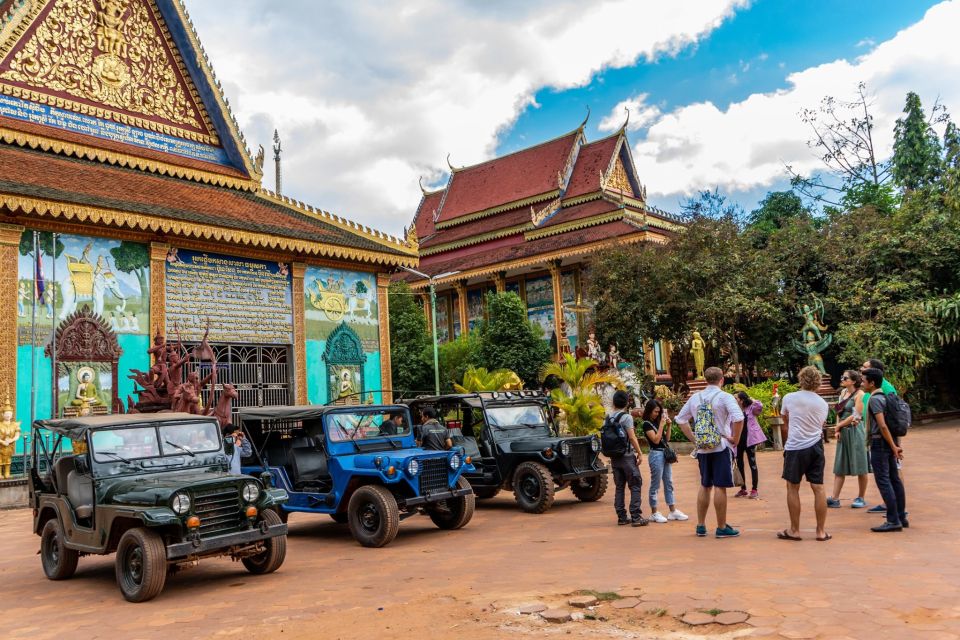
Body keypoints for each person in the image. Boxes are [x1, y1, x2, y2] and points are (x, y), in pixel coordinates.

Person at [675, 366, 744, 539]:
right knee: (720, 486)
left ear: (706, 379)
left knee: (705, 485)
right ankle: (721, 527)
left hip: (703, 448)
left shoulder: (695, 397)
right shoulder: (725, 397)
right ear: (722, 380)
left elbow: (681, 420)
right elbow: (739, 417)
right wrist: (735, 438)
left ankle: (701, 525)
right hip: (721, 445)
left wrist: (695, 440)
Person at [778, 366, 830, 542]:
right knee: (818, 487)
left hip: (795, 447)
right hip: (816, 446)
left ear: (801, 379)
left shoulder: (789, 398)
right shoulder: (823, 404)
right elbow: (821, 425)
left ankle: (794, 530)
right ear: (818, 382)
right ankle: (821, 531)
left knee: (793, 487)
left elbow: (785, 421)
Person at [861, 368, 907, 532]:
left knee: (884, 481)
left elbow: (882, 425)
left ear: (872, 383)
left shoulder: (875, 400)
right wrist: (894, 444)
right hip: (889, 441)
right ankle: (901, 517)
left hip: (880, 443)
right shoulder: (886, 397)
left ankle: (893, 520)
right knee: (894, 479)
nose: (862, 383)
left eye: (864, 380)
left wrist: (893, 446)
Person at [827, 370, 869, 509]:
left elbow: (856, 415)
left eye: (845, 378)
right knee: (840, 465)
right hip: (843, 431)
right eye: (842, 377)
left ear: (853, 381)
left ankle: (861, 497)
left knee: (861, 465)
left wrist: (838, 426)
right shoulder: (843, 393)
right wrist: (838, 429)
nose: (842, 379)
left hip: (855, 431)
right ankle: (835, 498)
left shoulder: (860, 394)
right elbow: (839, 411)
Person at [640, 399, 687, 523]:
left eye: (659, 412)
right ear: (649, 411)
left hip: (664, 454)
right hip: (655, 455)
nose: (657, 414)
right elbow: (655, 440)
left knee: (669, 482)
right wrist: (661, 425)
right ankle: (654, 512)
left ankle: (672, 510)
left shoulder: (656, 423)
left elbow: (666, 439)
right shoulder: (646, 424)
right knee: (655, 484)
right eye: (655, 412)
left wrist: (669, 425)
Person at [609, 390, 647, 527]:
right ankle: (636, 516)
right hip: (626, 456)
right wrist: (640, 452)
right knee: (635, 484)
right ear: (627, 402)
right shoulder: (626, 417)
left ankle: (622, 517)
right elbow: (631, 437)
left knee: (620, 487)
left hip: (614, 457)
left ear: (613, 403)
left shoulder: (608, 417)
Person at [734, 391, 766, 499]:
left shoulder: (751, 409)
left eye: (736, 398)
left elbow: (759, 407)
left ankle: (754, 489)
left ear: (742, 400)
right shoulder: (734, 410)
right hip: (738, 441)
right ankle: (743, 489)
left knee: (752, 463)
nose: (735, 400)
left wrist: (752, 400)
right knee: (740, 464)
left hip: (750, 440)